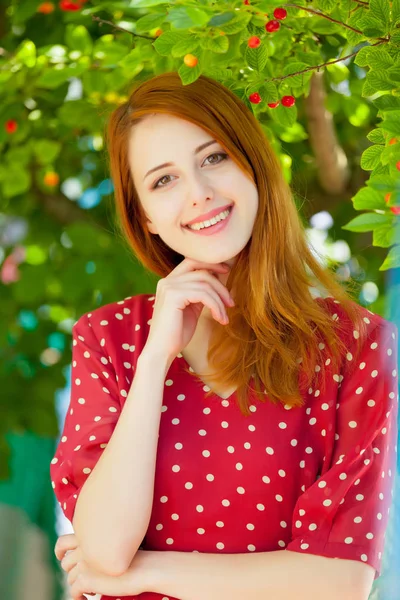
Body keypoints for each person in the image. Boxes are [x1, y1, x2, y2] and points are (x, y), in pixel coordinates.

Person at [50, 72, 398, 600]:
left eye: (213, 158)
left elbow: (340, 581)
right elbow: (104, 551)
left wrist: (146, 572)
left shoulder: (358, 344)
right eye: (163, 180)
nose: (200, 194)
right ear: (144, 215)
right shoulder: (110, 336)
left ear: (252, 163)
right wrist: (154, 359)